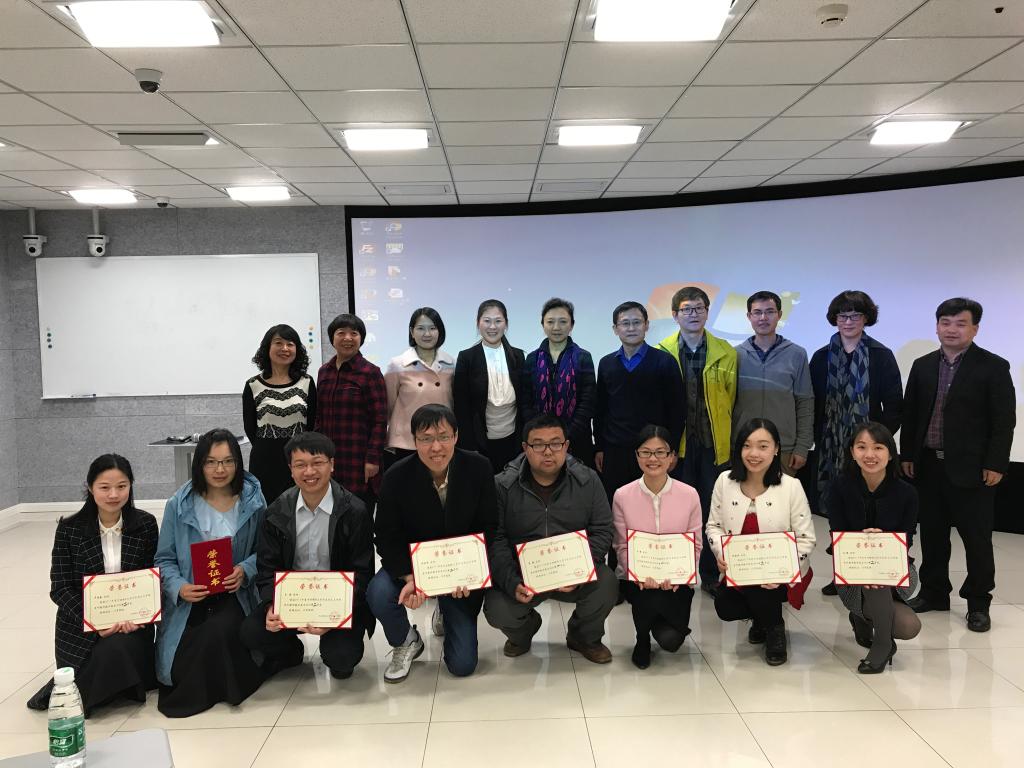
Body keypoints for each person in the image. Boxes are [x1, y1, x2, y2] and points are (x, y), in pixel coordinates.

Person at [901, 298, 1016, 633]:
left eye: (960, 323)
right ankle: (935, 593)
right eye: (945, 322)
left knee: (976, 540)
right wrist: (907, 455)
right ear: (937, 326)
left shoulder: (993, 366)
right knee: (933, 535)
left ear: (974, 328)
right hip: (928, 466)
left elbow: (1003, 421)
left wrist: (996, 463)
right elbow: (911, 414)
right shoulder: (923, 365)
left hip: (974, 469)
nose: (951, 329)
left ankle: (978, 603)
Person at [368, 404, 496, 682]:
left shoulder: (479, 467)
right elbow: (386, 535)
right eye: (426, 439)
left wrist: (471, 574)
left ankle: (445, 610)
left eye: (443, 436)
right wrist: (408, 576)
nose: (436, 447)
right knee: (378, 592)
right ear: (414, 441)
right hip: (413, 567)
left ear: (456, 437)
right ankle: (406, 640)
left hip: (460, 570)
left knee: (462, 665)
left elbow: (490, 527)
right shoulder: (396, 477)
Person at [26, 455, 159, 715]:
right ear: (90, 487)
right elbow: (60, 588)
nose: (114, 494)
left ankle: (99, 689)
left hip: (131, 624)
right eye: (104, 487)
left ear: (131, 486)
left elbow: (152, 578)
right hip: (81, 625)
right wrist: (95, 621)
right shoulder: (69, 529)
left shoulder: (145, 525)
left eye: (122, 486)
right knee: (104, 655)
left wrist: (140, 616)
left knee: (119, 647)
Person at [484, 413, 617, 664]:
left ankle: (583, 636)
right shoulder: (502, 485)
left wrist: (579, 571)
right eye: (538, 444)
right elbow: (496, 539)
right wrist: (512, 582)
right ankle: (524, 632)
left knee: (607, 584)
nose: (548, 452)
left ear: (566, 446)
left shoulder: (588, 480)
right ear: (525, 448)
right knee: (497, 608)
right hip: (524, 574)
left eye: (555, 444)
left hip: (573, 571)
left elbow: (602, 529)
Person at [240, 431, 374, 680]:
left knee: (342, 659)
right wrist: (271, 604)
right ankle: (291, 650)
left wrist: (336, 614)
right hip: (293, 599)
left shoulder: (354, 511)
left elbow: (363, 572)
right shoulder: (276, 512)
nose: (309, 472)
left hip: (336, 601)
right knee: (252, 632)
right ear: (290, 470)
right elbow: (267, 567)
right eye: (300, 465)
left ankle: (336, 650)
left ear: (332, 464)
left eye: (317, 463)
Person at [155, 429, 267, 717]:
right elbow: (164, 559)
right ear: (199, 464)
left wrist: (244, 570)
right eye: (211, 462)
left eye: (228, 461)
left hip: (235, 593)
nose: (220, 470)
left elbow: (266, 552)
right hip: (192, 594)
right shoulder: (179, 504)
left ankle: (217, 689)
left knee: (220, 630)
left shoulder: (253, 500)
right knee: (188, 644)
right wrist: (179, 587)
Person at [809, 291, 902, 596]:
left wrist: (875, 444)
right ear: (834, 319)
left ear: (866, 318)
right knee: (839, 512)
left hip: (868, 454)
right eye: (842, 316)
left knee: (868, 512)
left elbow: (894, 405)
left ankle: (871, 573)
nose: (848, 322)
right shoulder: (821, 357)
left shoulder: (881, 356)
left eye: (855, 315)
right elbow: (813, 404)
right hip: (831, 450)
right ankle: (843, 575)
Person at [706, 418, 816, 666]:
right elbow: (713, 526)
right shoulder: (725, 481)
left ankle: (774, 628)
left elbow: (806, 538)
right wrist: (720, 553)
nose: (754, 453)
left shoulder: (791, 486)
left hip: (780, 572)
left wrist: (783, 571)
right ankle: (762, 618)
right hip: (740, 568)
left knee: (763, 591)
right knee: (725, 607)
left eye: (763, 446)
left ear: (776, 449)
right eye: (747, 445)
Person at [655, 286, 737, 596]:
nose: (693, 314)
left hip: (713, 446)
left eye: (699, 308)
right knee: (675, 510)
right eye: (686, 309)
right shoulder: (661, 352)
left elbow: (733, 400)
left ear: (707, 312)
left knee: (712, 511)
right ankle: (676, 572)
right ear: (674, 315)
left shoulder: (726, 352)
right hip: (677, 447)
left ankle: (711, 574)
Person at [828, 423, 921, 673]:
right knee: (874, 580)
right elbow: (837, 536)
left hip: (896, 568)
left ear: (890, 454)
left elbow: (907, 540)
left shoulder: (907, 493)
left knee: (909, 626)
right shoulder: (839, 487)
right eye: (862, 447)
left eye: (878, 448)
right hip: (852, 569)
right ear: (852, 452)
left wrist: (882, 544)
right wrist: (862, 545)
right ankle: (883, 643)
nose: (870, 455)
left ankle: (864, 619)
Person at [612, 425, 702, 669]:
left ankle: (659, 623)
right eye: (646, 452)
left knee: (671, 641)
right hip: (639, 580)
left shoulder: (689, 494)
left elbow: (695, 544)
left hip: (676, 580)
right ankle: (642, 639)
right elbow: (621, 545)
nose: (653, 459)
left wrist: (681, 576)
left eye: (660, 452)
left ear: (672, 456)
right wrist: (637, 574)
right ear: (637, 456)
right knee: (647, 597)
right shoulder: (622, 495)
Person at [595, 300, 684, 500]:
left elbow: (677, 411)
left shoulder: (665, 362)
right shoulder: (606, 363)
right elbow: (600, 409)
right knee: (616, 503)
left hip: (653, 451)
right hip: (615, 449)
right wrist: (599, 447)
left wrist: (672, 450)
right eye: (625, 323)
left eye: (637, 322)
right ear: (615, 329)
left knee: (654, 503)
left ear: (646, 325)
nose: (631, 328)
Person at [732, 291, 814, 477]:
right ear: (749, 316)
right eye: (757, 312)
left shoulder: (797, 354)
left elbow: (805, 402)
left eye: (769, 312)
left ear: (779, 315)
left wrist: (802, 447)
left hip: (784, 448)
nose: (763, 318)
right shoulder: (734, 355)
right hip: (744, 446)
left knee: (782, 495)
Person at [315, 312, 388, 508]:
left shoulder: (370, 372)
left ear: (361, 338)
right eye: (341, 333)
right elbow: (319, 417)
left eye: (354, 333)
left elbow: (380, 420)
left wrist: (372, 460)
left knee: (359, 515)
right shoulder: (324, 372)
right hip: (329, 459)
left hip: (358, 459)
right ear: (332, 338)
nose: (347, 338)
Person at [243, 324, 317, 504]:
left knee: (299, 508)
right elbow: (250, 427)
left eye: (290, 344)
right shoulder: (253, 385)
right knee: (266, 509)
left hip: (299, 458)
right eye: (278, 343)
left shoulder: (307, 382)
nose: (285, 348)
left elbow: (312, 423)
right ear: (267, 348)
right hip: (264, 459)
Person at [521, 297, 597, 467]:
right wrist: (540, 433)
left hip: (576, 439)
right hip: (539, 441)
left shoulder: (583, 357)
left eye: (563, 321)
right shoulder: (532, 358)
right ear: (543, 324)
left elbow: (588, 401)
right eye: (550, 322)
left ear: (572, 325)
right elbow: (525, 400)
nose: (556, 327)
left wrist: (565, 436)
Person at [454, 299, 526, 473]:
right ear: (478, 323)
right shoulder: (466, 358)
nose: (492, 326)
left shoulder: (518, 356)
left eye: (498, 321)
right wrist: (468, 447)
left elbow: (524, 401)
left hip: (514, 440)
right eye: (487, 321)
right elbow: (461, 407)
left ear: (506, 324)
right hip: (479, 443)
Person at [383, 307, 455, 475]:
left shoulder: (451, 364)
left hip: (441, 441)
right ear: (412, 332)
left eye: (432, 328)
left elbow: (453, 403)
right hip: (407, 442)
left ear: (440, 331)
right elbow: (389, 406)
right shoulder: (398, 365)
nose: (427, 334)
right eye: (421, 328)